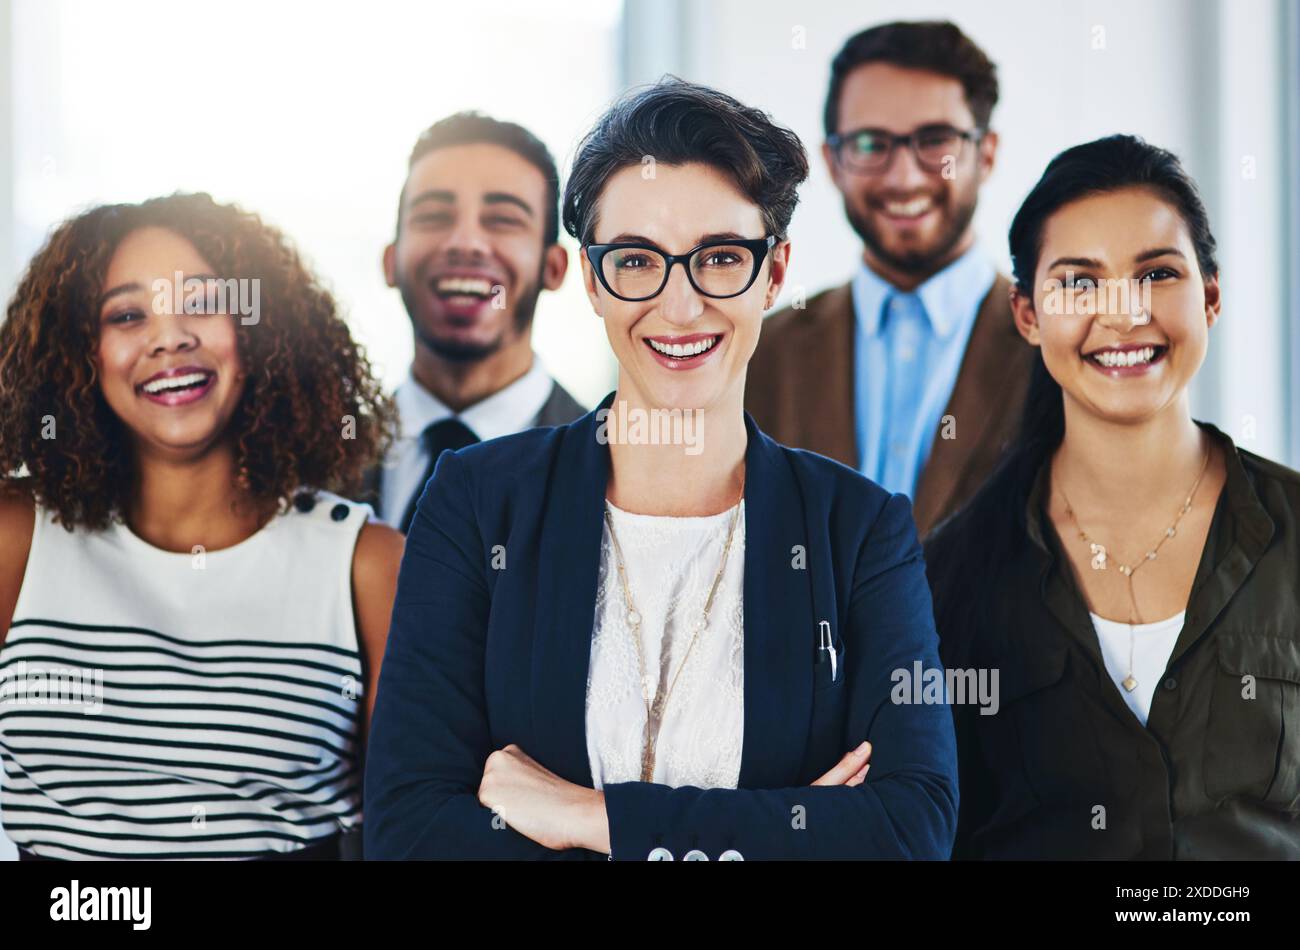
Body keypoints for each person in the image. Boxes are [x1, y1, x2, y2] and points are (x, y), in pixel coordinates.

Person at [365, 78, 958, 861]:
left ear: (775, 274)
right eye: (638, 261)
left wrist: (587, 818)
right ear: (591, 279)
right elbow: (410, 831)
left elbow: (909, 832)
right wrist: (782, 830)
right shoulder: (478, 500)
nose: (680, 307)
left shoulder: (859, 529)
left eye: (719, 258)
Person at [925, 135, 1300, 859]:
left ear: (1211, 297)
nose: (1124, 315)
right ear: (1028, 315)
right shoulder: (949, 576)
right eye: (1079, 282)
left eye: (1156, 273)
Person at [0, 194, 403, 859]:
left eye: (202, 304)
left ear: (261, 331)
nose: (169, 337)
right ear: (82, 353)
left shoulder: (366, 565)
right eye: (128, 315)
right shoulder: (18, 539)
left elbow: (414, 824)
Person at [746, 20, 1035, 537]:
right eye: (870, 143)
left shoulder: (1054, 350)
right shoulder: (760, 351)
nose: (903, 177)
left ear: (985, 154)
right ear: (833, 161)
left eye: (935, 140)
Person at [359, 113, 587, 532]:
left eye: (503, 220)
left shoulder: (608, 469)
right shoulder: (316, 463)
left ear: (554, 268)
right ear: (391, 262)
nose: (464, 242)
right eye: (433, 217)